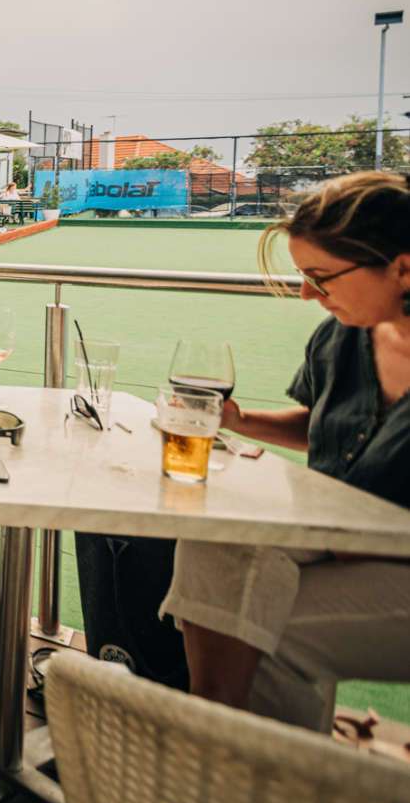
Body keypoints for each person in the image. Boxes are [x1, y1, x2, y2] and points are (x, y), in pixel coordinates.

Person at [161, 172, 410, 732]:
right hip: (335, 532)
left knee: (264, 629)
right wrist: (240, 420)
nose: (306, 296)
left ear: (403, 267)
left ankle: (258, 773)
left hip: (388, 549)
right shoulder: (343, 334)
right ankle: (211, 719)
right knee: (214, 532)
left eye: (320, 278)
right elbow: (323, 426)